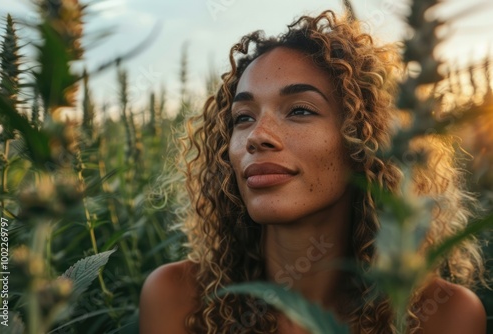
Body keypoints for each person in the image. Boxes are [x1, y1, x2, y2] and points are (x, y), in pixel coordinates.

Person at [139, 10, 487, 334]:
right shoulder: (178, 299)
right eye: (243, 117)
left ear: (364, 139)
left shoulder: (444, 315)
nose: (257, 136)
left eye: (300, 111)